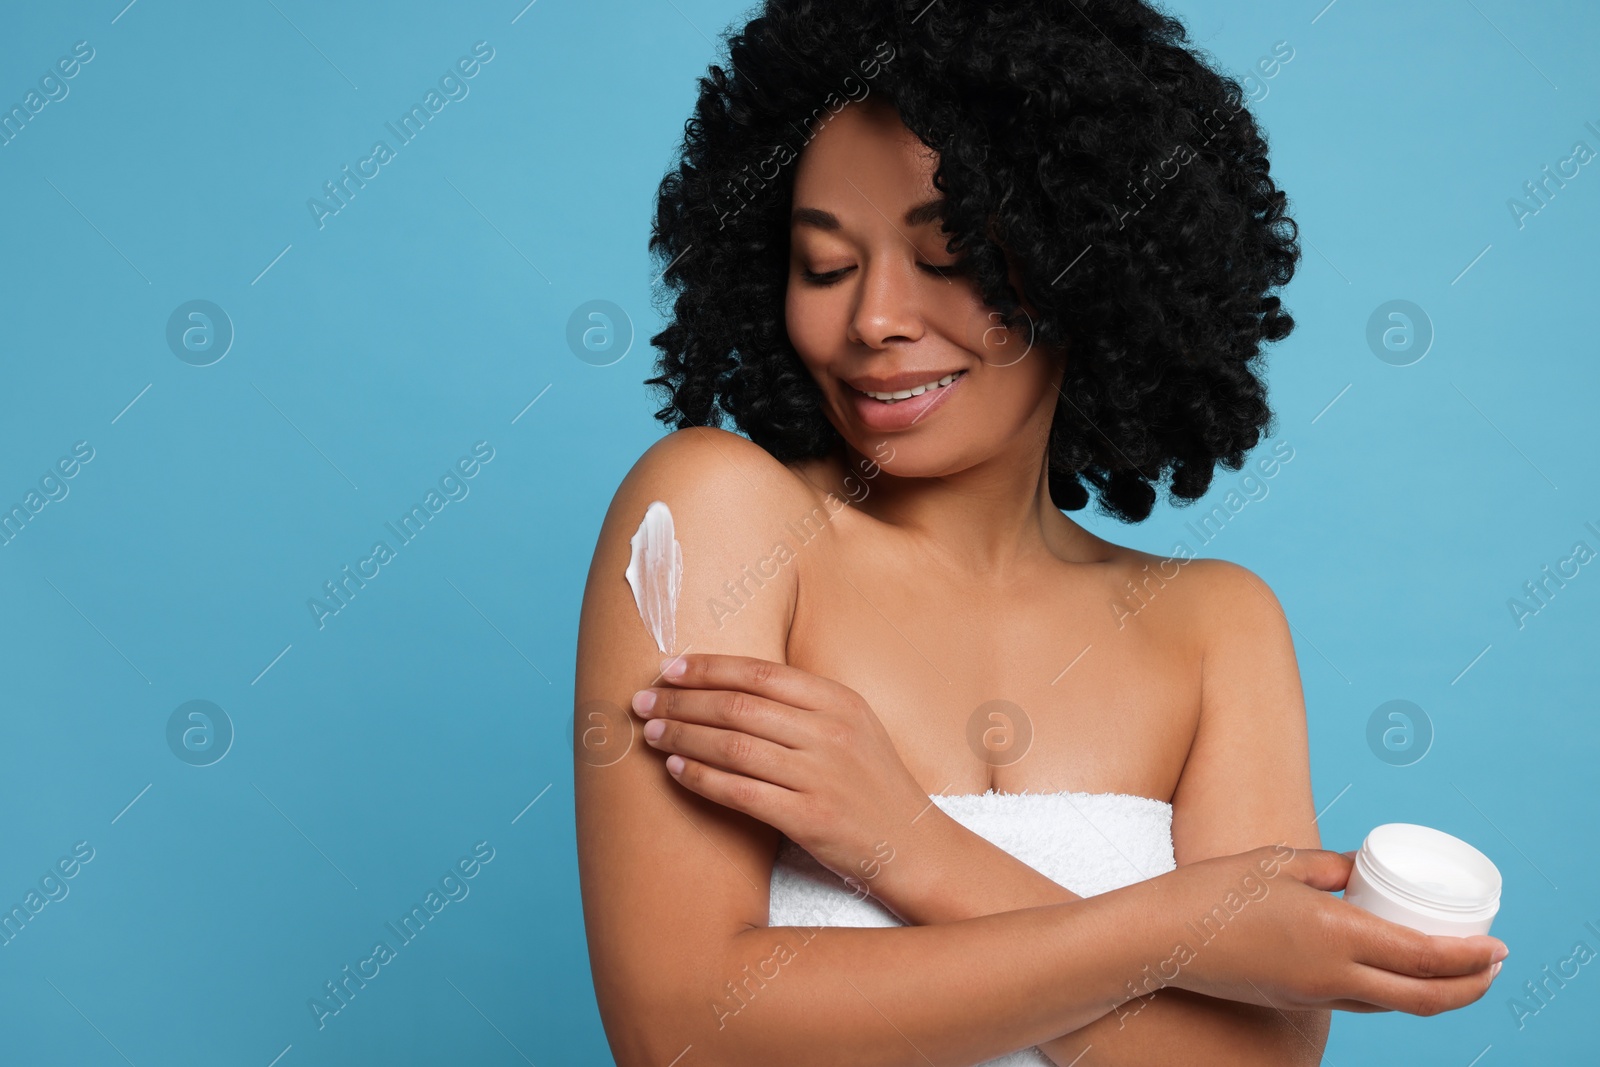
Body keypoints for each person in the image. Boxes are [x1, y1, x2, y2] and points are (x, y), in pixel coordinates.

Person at [574, 1, 1507, 1063]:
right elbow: (682, 1025)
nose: (874, 317)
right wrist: (1180, 925)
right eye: (825, 266)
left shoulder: (1213, 628)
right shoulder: (717, 515)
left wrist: (906, 842)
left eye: (949, 253)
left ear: (1088, 258)